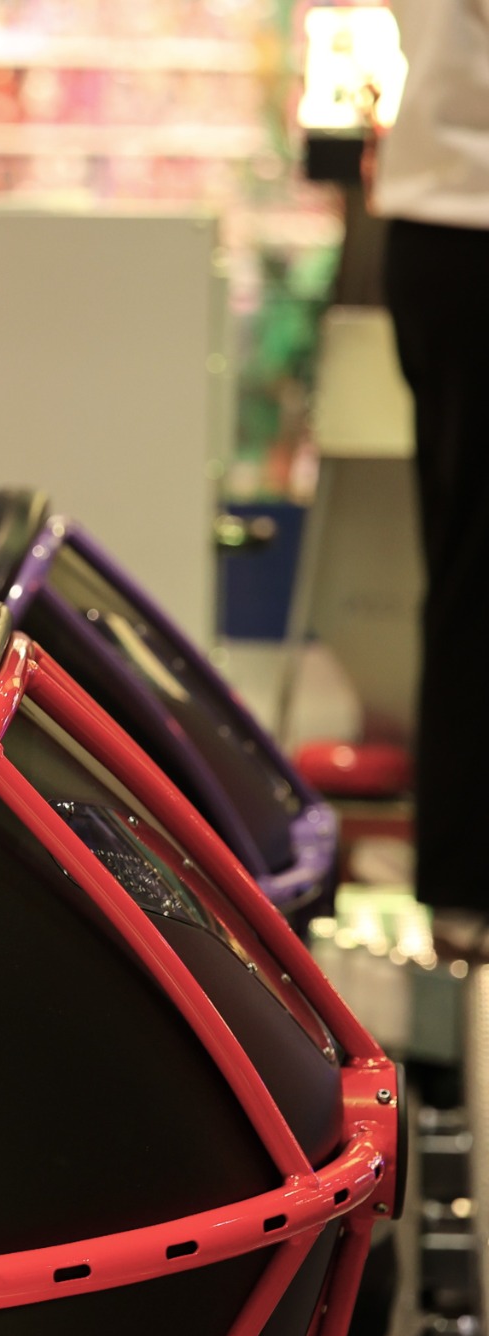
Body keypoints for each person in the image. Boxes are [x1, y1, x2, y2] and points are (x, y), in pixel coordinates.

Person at [373, 0, 489, 952]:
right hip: (467, 218)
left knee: (468, 570)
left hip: (444, 221)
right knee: (473, 574)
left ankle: (462, 884)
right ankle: (464, 884)